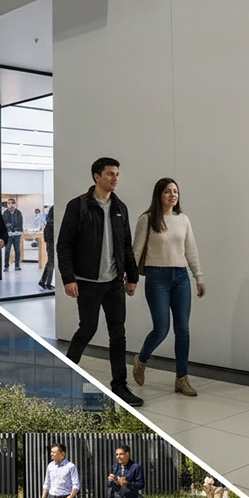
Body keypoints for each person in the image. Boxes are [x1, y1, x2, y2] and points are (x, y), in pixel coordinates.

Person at [59, 157, 143, 406]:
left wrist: (132, 276)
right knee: (87, 329)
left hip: (114, 281)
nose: (115, 178)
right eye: (110, 174)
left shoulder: (120, 207)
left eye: (117, 174)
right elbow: (64, 244)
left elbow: (126, 245)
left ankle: (120, 386)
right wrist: (68, 278)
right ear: (96, 176)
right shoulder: (79, 206)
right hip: (87, 281)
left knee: (118, 334)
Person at [131, 178, 206, 397]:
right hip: (157, 277)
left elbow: (191, 251)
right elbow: (136, 251)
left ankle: (181, 378)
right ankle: (141, 359)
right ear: (158, 195)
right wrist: (131, 279)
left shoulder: (183, 220)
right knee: (161, 328)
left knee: (183, 329)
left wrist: (198, 277)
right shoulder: (147, 219)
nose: (173, 195)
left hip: (181, 277)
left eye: (176, 191)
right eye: (167, 191)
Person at [3, 199, 24, 271]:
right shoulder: (5, 213)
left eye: (12, 203)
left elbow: (20, 223)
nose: (11, 205)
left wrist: (16, 229)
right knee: (7, 250)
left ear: (15, 204)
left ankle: (17, 266)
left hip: (17, 234)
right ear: (7, 205)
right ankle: (6, 266)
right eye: (9, 203)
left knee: (17, 250)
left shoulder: (18, 213)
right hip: (8, 235)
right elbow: (4, 224)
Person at [39, 205, 55, 291]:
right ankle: (48, 283)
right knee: (51, 262)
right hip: (51, 242)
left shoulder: (49, 222)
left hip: (51, 242)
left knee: (50, 262)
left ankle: (43, 281)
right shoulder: (51, 224)